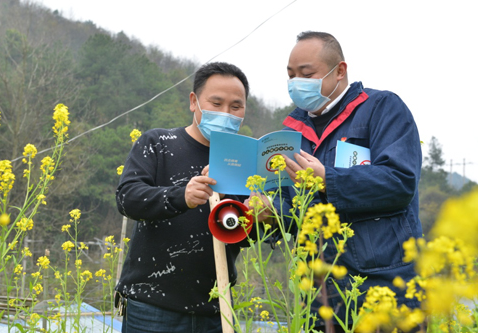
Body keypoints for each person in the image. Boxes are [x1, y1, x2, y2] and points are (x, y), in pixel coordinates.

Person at [277, 31, 423, 331]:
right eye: (291, 75)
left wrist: (328, 179)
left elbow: (400, 180)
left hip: (382, 282)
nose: (296, 83)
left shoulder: (382, 109)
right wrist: (270, 209)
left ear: (340, 70)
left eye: (307, 74)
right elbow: (298, 210)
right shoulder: (291, 133)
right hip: (319, 290)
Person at [115, 62, 250, 333]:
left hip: (215, 307)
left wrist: (257, 214)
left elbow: (247, 236)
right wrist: (180, 196)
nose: (226, 113)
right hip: (152, 307)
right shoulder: (158, 143)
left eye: (236, 107)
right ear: (194, 102)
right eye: (216, 103)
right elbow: (127, 197)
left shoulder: (244, 161)